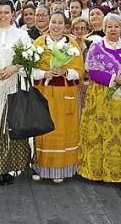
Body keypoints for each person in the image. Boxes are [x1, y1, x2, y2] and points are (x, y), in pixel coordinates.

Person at [0, 0, 32, 184]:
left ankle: (10, 166)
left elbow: (28, 57)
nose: (2, 16)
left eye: (6, 12)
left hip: (12, 84)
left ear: (13, 14)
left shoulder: (21, 34)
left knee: (10, 125)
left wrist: (14, 68)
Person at [77, 14, 121, 183]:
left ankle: (117, 173)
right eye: (109, 26)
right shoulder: (96, 46)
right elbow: (92, 71)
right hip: (100, 95)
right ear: (104, 28)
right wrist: (114, 79)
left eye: (116, 26)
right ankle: (95, 172)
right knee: (98, 132)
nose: (113, 29)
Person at [31, 12, 84, 182]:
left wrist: (65, 71)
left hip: (65, 94)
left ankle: (61, 169)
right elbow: (29, 69)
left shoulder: (72, 44)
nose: (56, 26)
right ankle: (41, 167)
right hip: (43, 93)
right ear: (49, 23)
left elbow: (80, 71)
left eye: (60, 23)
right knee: (43, 130)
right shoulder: (39, 43)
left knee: (62, 130)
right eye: (53, 22)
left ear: (65, 25)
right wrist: (44, 73)